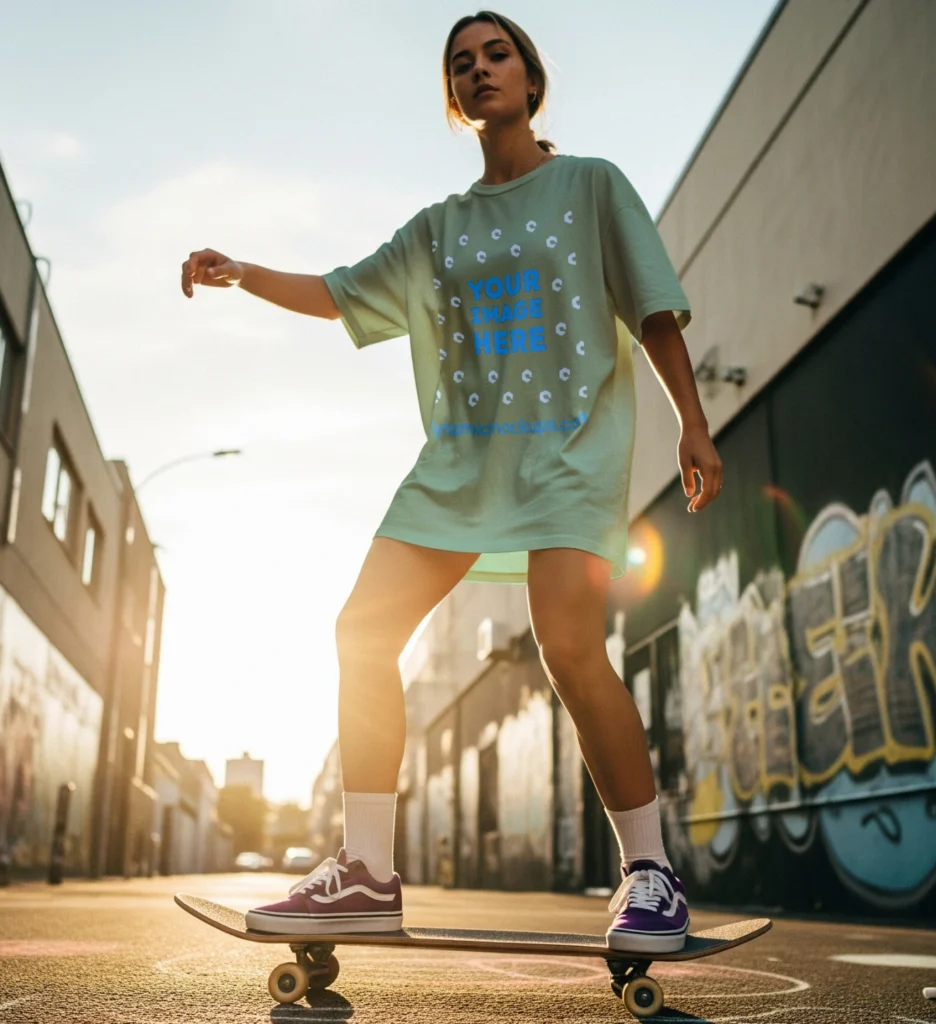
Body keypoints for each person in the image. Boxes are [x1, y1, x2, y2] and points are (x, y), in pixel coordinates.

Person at [180, 10, 722, 955]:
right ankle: (366, 870)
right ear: (454, 97)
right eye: (461, 64)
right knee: (361, 629)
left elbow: (652, 309)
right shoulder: (440, 229)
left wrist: (693, 422)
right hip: (462, 464)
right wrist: (243, 273)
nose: (480, 71)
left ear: (531, 79)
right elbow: (341, 292)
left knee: (568, 646)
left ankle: (650, 874)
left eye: (497, 55)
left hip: (567, 454)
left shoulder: (591, 186)